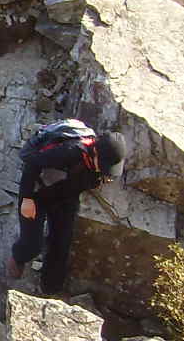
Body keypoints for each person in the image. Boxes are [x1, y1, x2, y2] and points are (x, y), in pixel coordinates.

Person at [7, 121, 123, 295]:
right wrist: (27, 199)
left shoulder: (100, 165)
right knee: (32, 244)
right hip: (37, 194)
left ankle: (50, 287)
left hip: (65, 194)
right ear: (96, 154)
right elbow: (32, 164)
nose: (107, 174)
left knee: (62, 243)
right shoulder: (68, 152)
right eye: (106, 168)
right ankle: (18, 258)